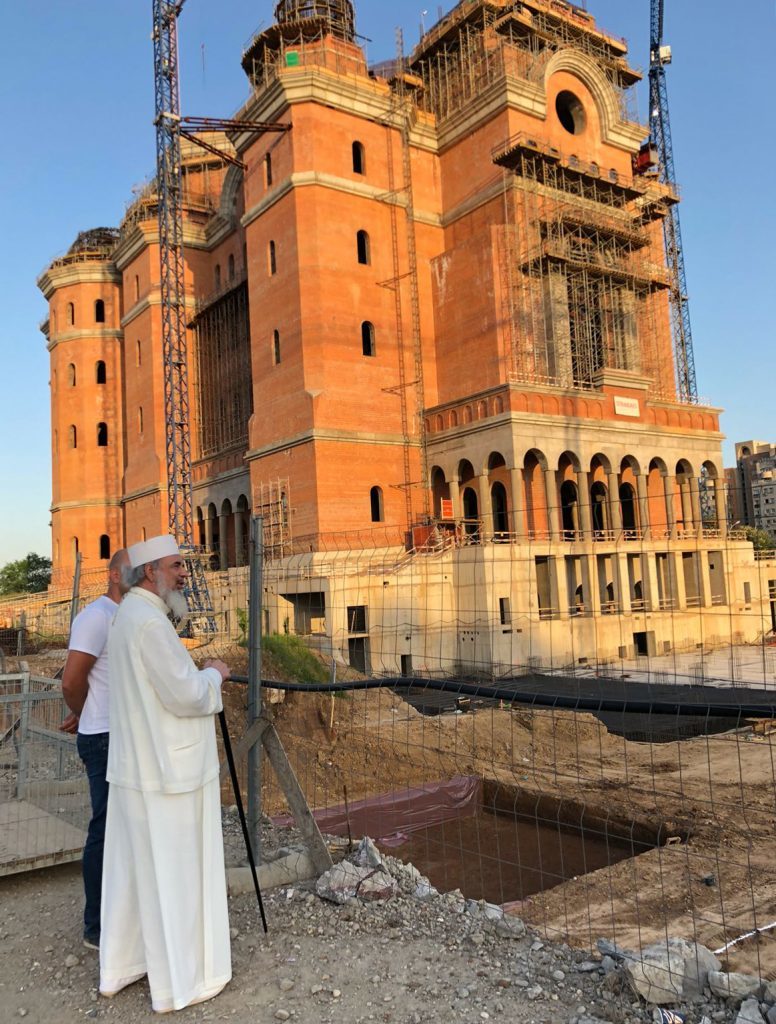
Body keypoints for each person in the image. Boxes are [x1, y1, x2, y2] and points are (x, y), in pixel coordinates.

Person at [100, 534, 232, 1014]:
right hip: (167, 772)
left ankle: (124, 965)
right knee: (175, 877)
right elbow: (186, 694)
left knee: (135, 876)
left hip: (139, 767)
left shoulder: (129, 616)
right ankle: (184, 982)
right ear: (151, 571)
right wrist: (215, 673)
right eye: (176, 565)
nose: (183, 574)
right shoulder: (150, 624)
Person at [61, 548, 130, 951]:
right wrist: (82, 711)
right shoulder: (96, 617)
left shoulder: (129, 616)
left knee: (124, 827)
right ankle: (96, 927)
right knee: (105, 829)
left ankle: (120, 916)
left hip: (122, 733)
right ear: (115, 575)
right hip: (103, 738)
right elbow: (72, 682)